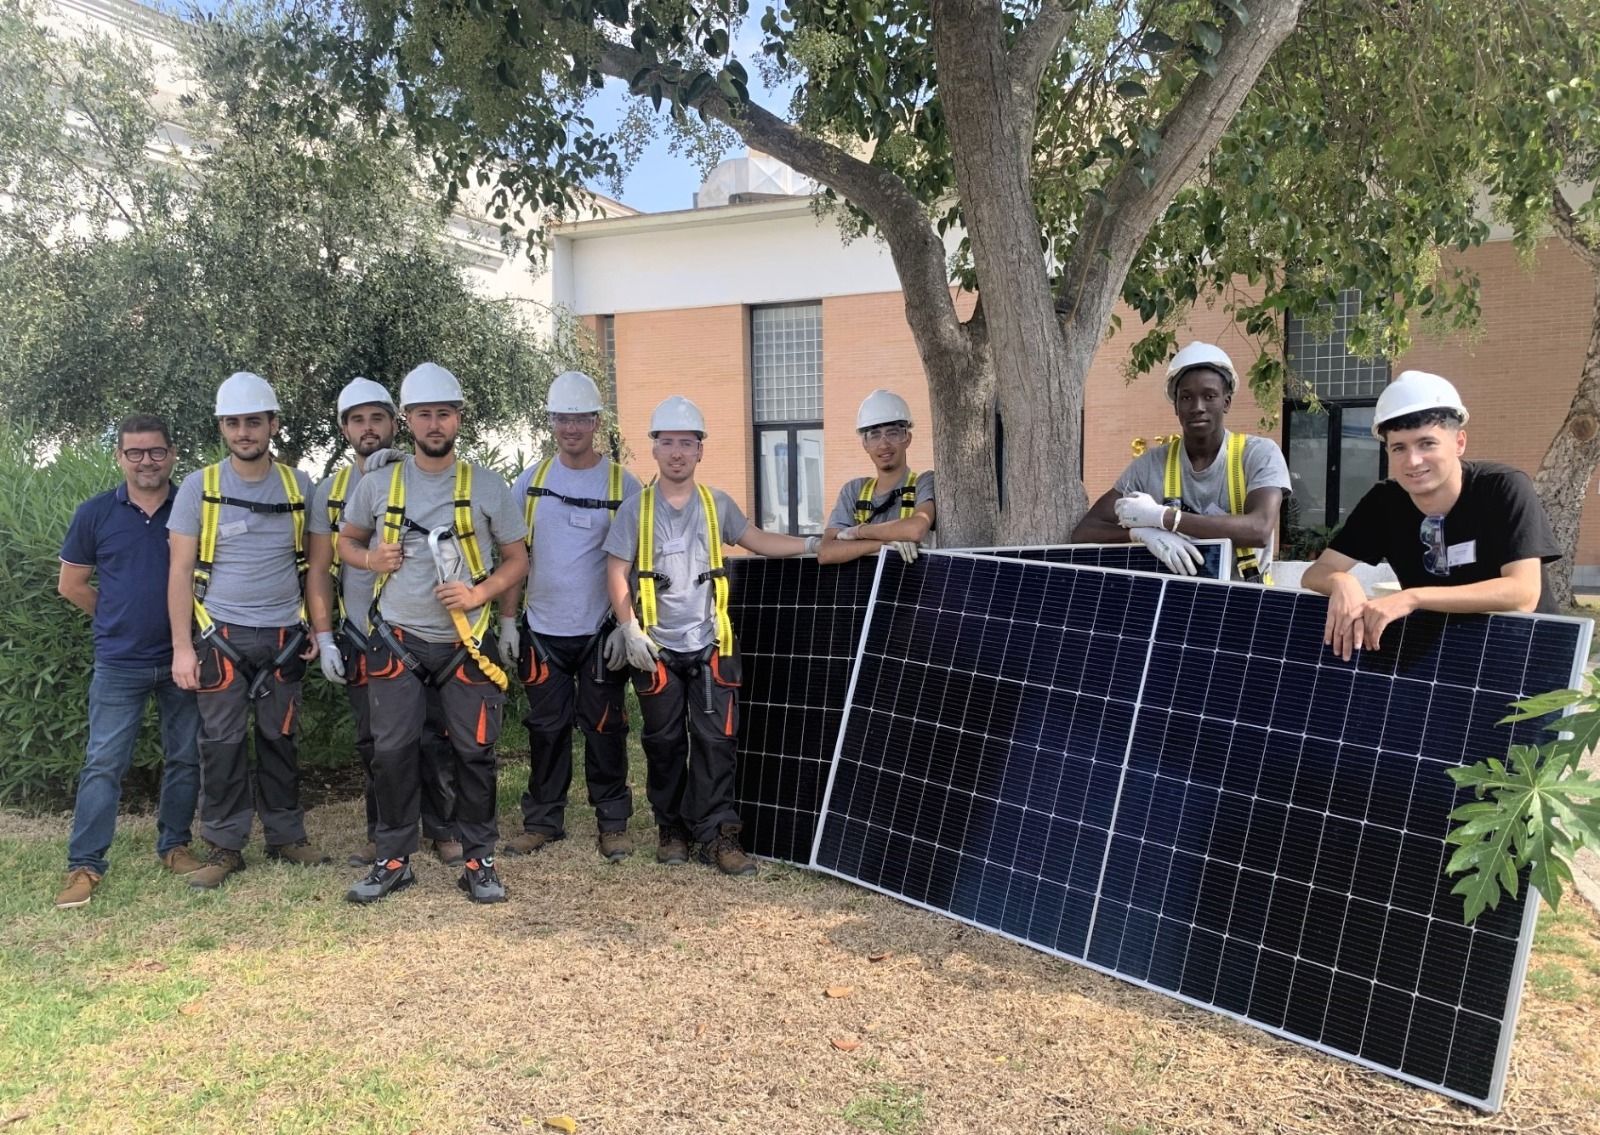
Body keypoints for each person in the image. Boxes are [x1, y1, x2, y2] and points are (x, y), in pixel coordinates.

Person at [338, 363, 528, 904]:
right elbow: (347, 542)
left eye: (444, 413)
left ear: (459, 419)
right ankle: (394, 859)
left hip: (468, 642)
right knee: (392, 751)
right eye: (424, 414)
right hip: (399, 638)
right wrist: (372, 557)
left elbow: (517, 559)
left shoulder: (487, 488)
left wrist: (479, 595)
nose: (435, 424)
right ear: (408, 421)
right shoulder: (379, 485)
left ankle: (479, 861)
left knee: (475, 753)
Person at [603, 396, 818, 876]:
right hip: (655, 648)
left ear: (700, 450)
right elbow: (616, 568)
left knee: (717, 742)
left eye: (686, 443)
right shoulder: (635, 509)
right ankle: (672, 829)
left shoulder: (716, 503)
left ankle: (719, 834)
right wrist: (628, 626)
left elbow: (758, 539)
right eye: (667, 443)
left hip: (711, 644)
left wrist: (812, 543)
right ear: (654, 449)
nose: (676, 452)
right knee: (663, 744)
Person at [167, 373, 327, 890]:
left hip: (283, 635)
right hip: (220, 636)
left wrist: (317, 633)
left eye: (253, 422)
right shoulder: (201, 486)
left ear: (272, 425)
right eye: (234, 423)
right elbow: (178, 572)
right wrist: (181, 648)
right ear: (222, 427)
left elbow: (316, 567)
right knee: (221, 743)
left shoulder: (299, 486)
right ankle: (224, 846)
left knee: (279, 738)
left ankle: (285, 836)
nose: (244, 432)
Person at [306, 378, 462, 870]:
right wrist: (326, 636)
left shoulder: (414, 473)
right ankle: (384, 833)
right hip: (363, 633)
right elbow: (318, 568)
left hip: (423, 629)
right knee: (377, 740)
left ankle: (443, 826)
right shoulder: (329, 492)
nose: (368, 428)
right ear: (343, 429)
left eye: (377, 418)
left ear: (395, 423)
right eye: (357, 419)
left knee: (435, 733)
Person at [1302, 370, 1561, 660]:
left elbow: (1522, 594)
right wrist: (1343, 582)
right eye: (1399, 448)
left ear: (1459, 443)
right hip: (1442, 654)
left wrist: (1412, 598)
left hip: (1523, 654)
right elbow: (1316, 573)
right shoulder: (1385, 502)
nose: (1413, 461)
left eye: (1427, 443)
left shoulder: (1502, 487)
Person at [54, 415, 202, 908]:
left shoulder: (194, 506)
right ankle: (85, 865)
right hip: (119, 663)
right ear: (118, 456)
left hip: (185, 658)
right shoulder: (95, 513)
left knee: (185, 757)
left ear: (173, 454)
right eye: (134, 452)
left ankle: (175, 847)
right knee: (103, 764)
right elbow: (71, 585)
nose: (146, 461)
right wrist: (115, 614)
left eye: (156, 451)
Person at [498, 371, 642, 861]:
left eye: (580, 418)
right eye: (562, 418)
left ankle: (613, 822)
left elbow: (638, 561)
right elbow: (514, 555)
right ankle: (542, 821)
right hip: (542, 632)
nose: (571, 427)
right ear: (552, 422)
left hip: (600, 632)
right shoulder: (532, 483)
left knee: (607, 727)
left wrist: (630, 625)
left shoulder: (624, 484)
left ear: (596, 421)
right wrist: (509, 621)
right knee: (546, 728)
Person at [1071, 341, 1291, 581]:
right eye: (1186, 397)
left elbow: (1258, 529)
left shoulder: (1258, 454)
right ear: (1176, 406)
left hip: (1246, 603)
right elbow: (1084, 533)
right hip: (1177, 606)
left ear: (1226, 402)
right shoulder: (1150, 466)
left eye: (1209, 396)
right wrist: (1139, 533)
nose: (1197, 407)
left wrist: (1165, 518)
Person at [817, 389, 936, 565]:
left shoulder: (924, 482)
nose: (884, 444)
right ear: (865, 444)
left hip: (912, 588)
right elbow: (826, 553)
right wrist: (884, 544)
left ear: (907, 438)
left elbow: (916, 529)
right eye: (874, 435)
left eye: (893, 433)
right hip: (862, 590)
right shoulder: (853, 491)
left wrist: (858, 532)